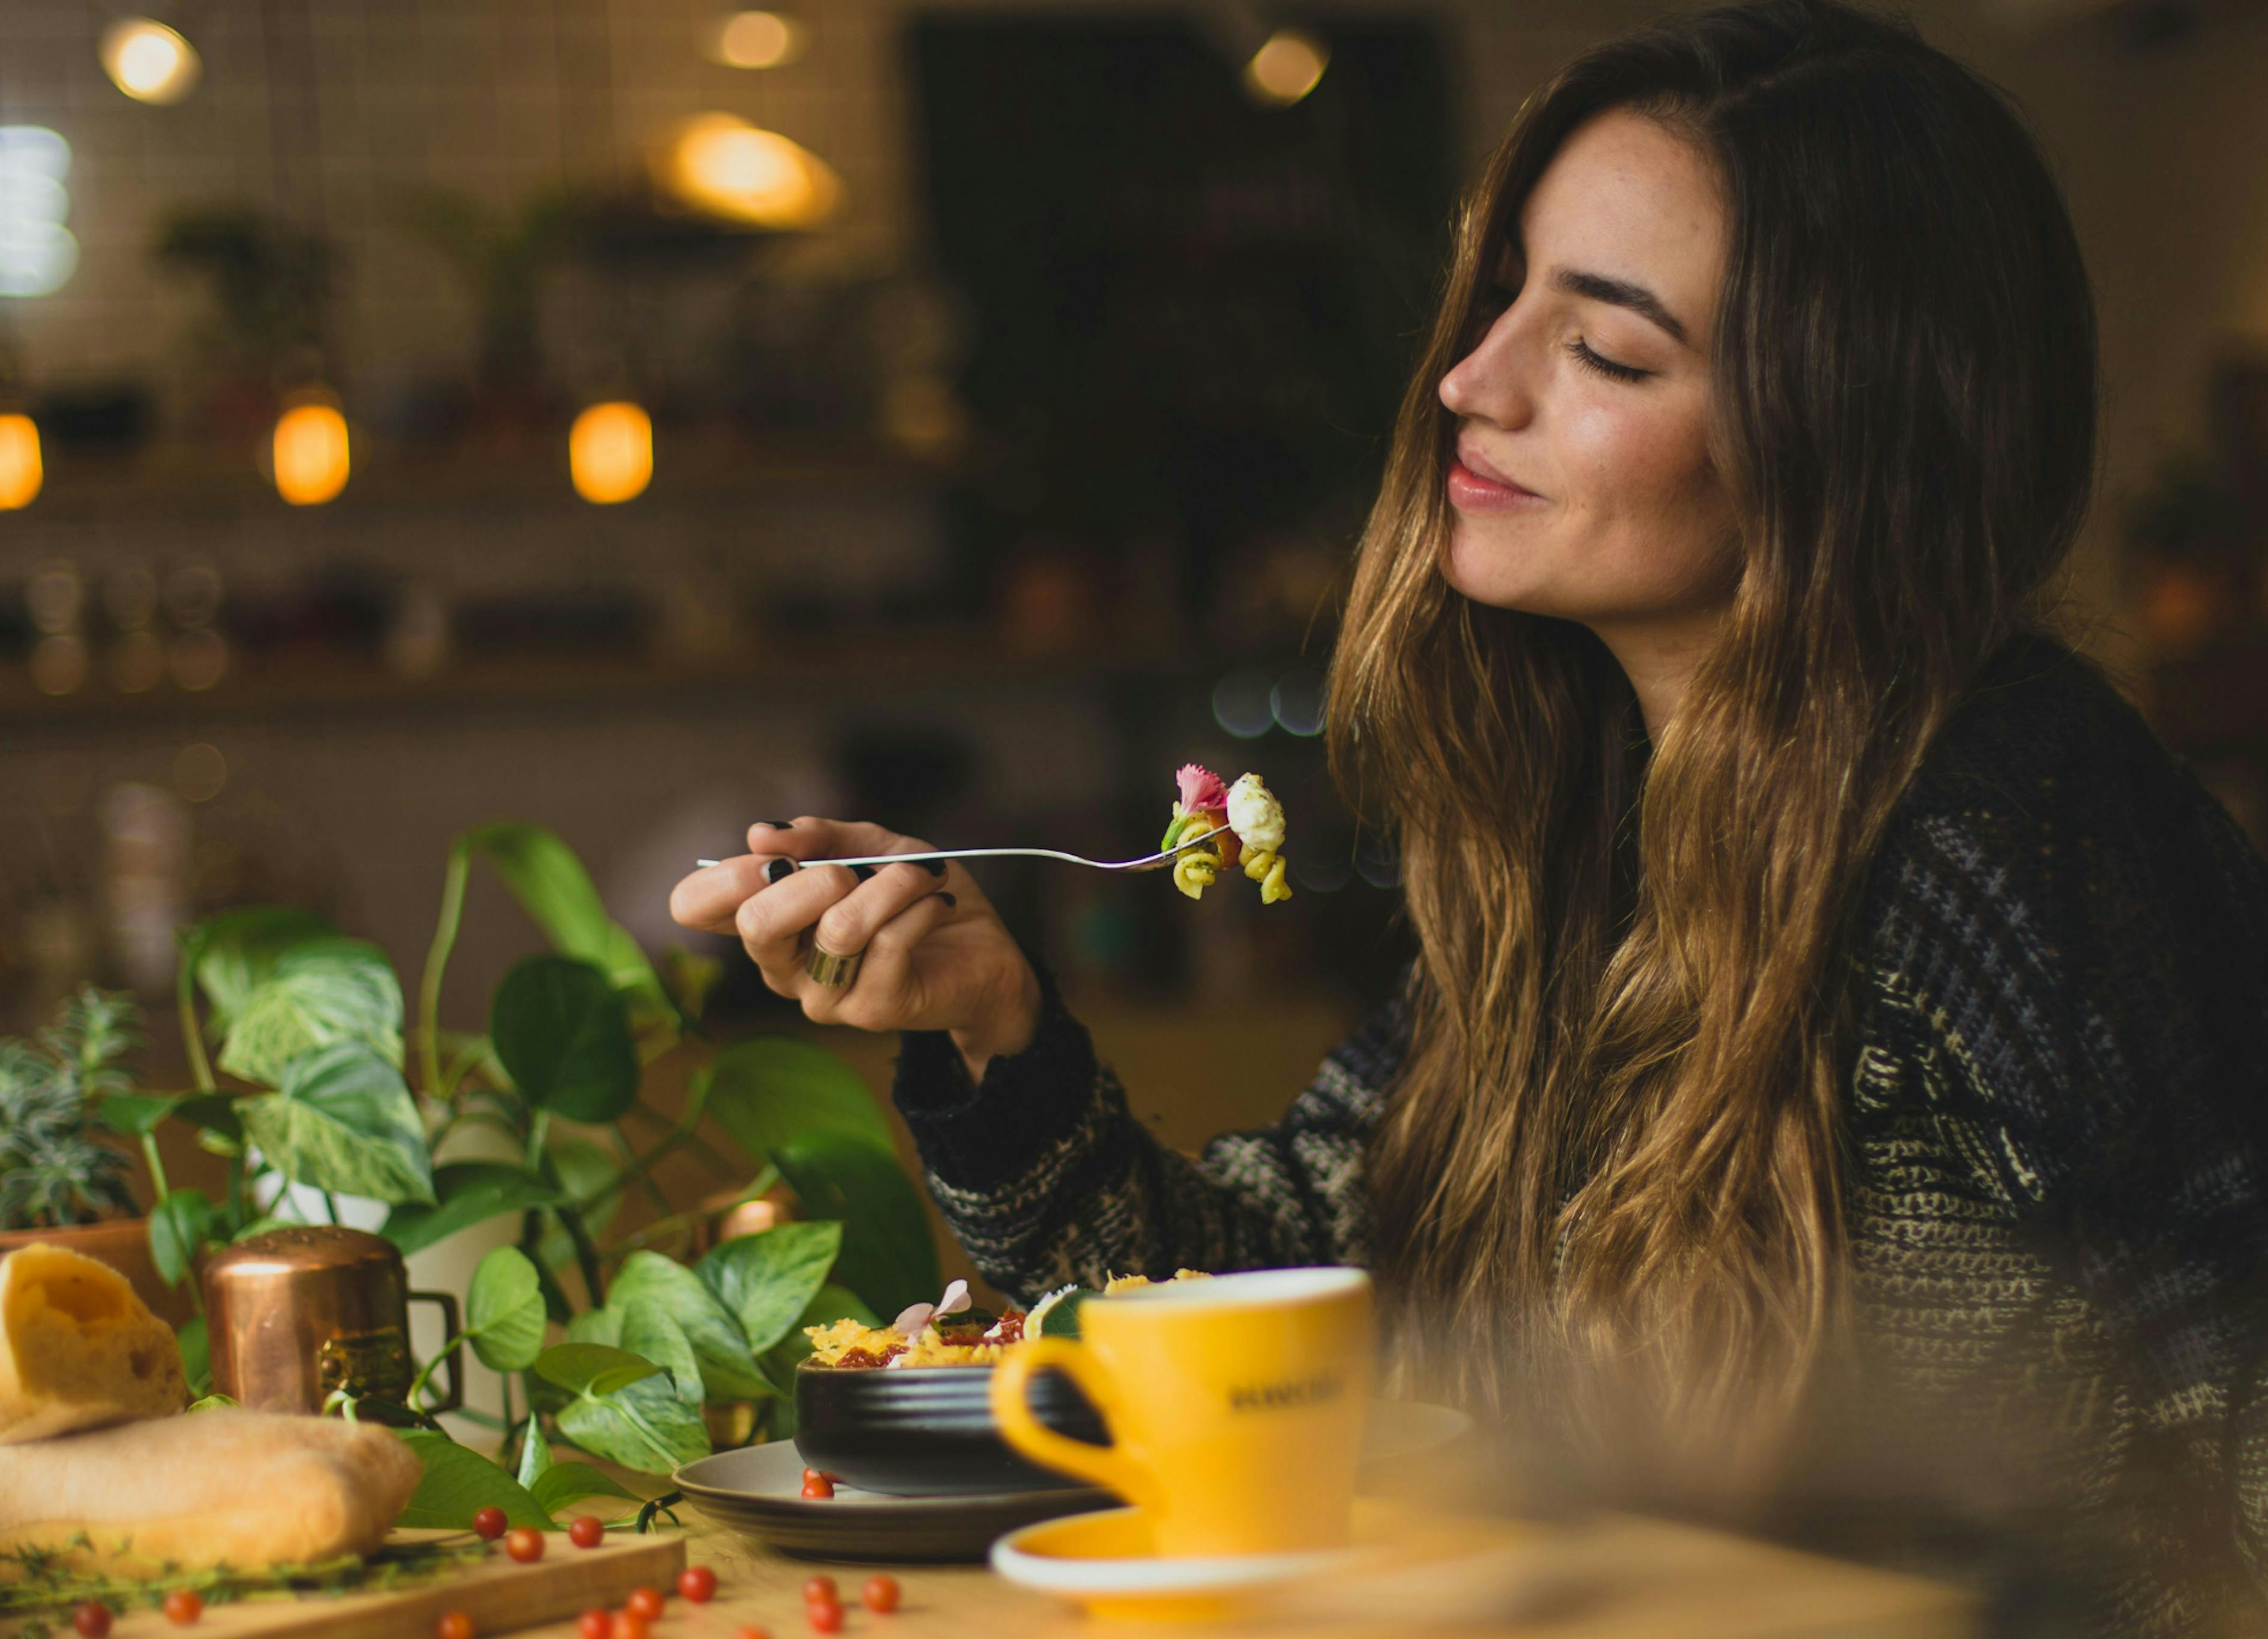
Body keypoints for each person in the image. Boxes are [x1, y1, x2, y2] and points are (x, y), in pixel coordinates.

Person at [672, 2, 2268, 1629]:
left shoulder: (2004, 817)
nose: (1466, 377)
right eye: (1505, 293)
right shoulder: (1588, 831)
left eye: (1607, 348)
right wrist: (997, 1031)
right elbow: (1269, 1296)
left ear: (1846, 443)